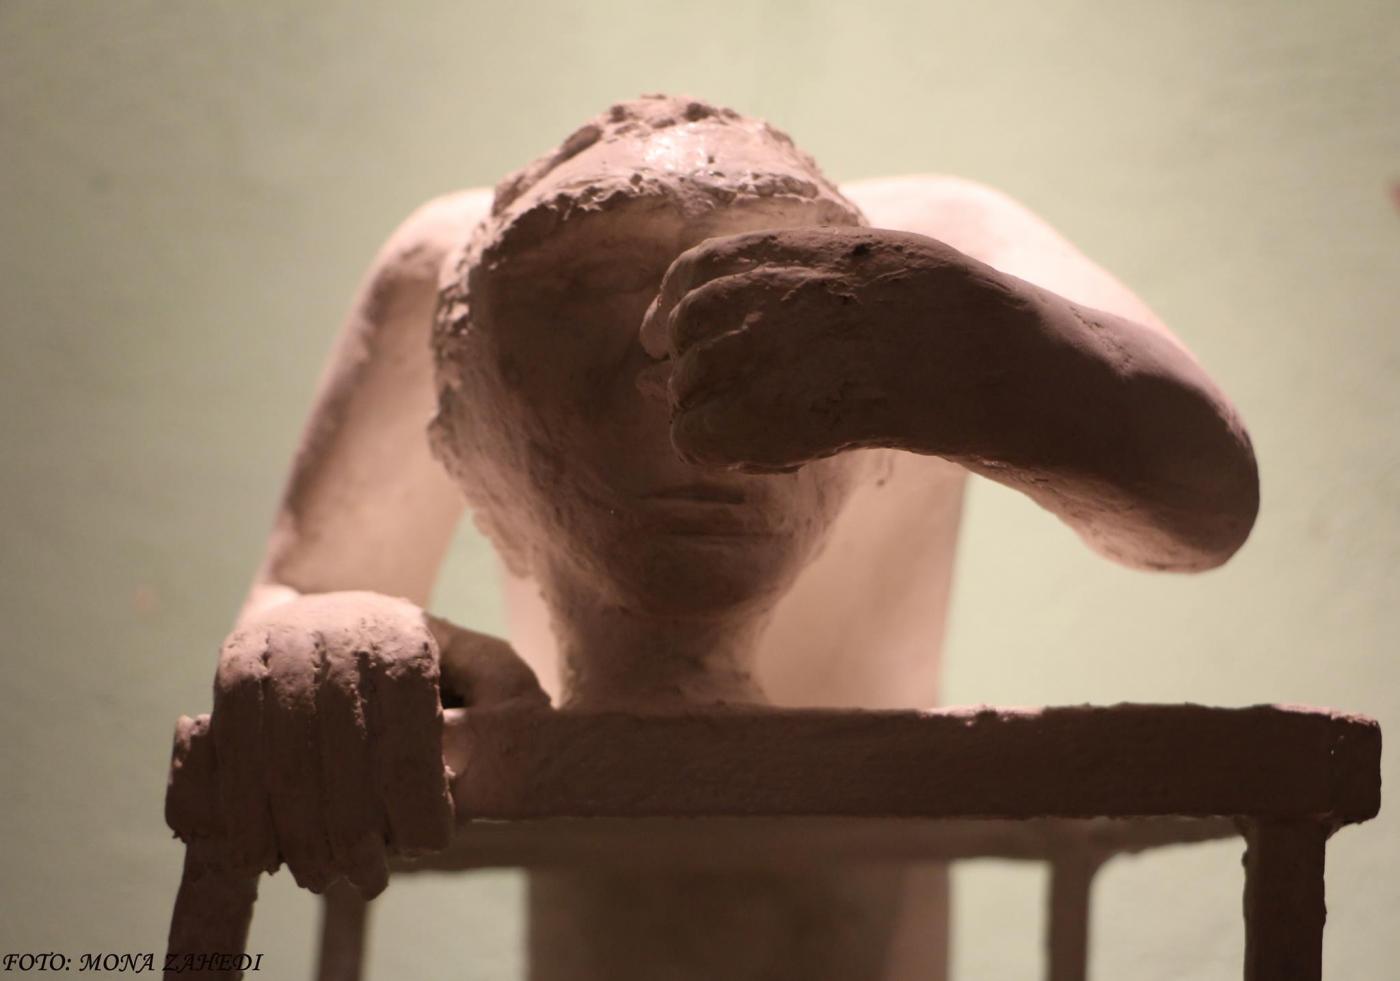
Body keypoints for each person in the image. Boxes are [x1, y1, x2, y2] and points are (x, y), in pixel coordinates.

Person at [207, 94, 1258, 979]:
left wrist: (958, 357)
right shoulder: (466, 266)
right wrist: (340, 637)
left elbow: (1202, 502)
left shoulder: (932, 244)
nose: (670, 374)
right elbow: (302, 595)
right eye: (593, 284)